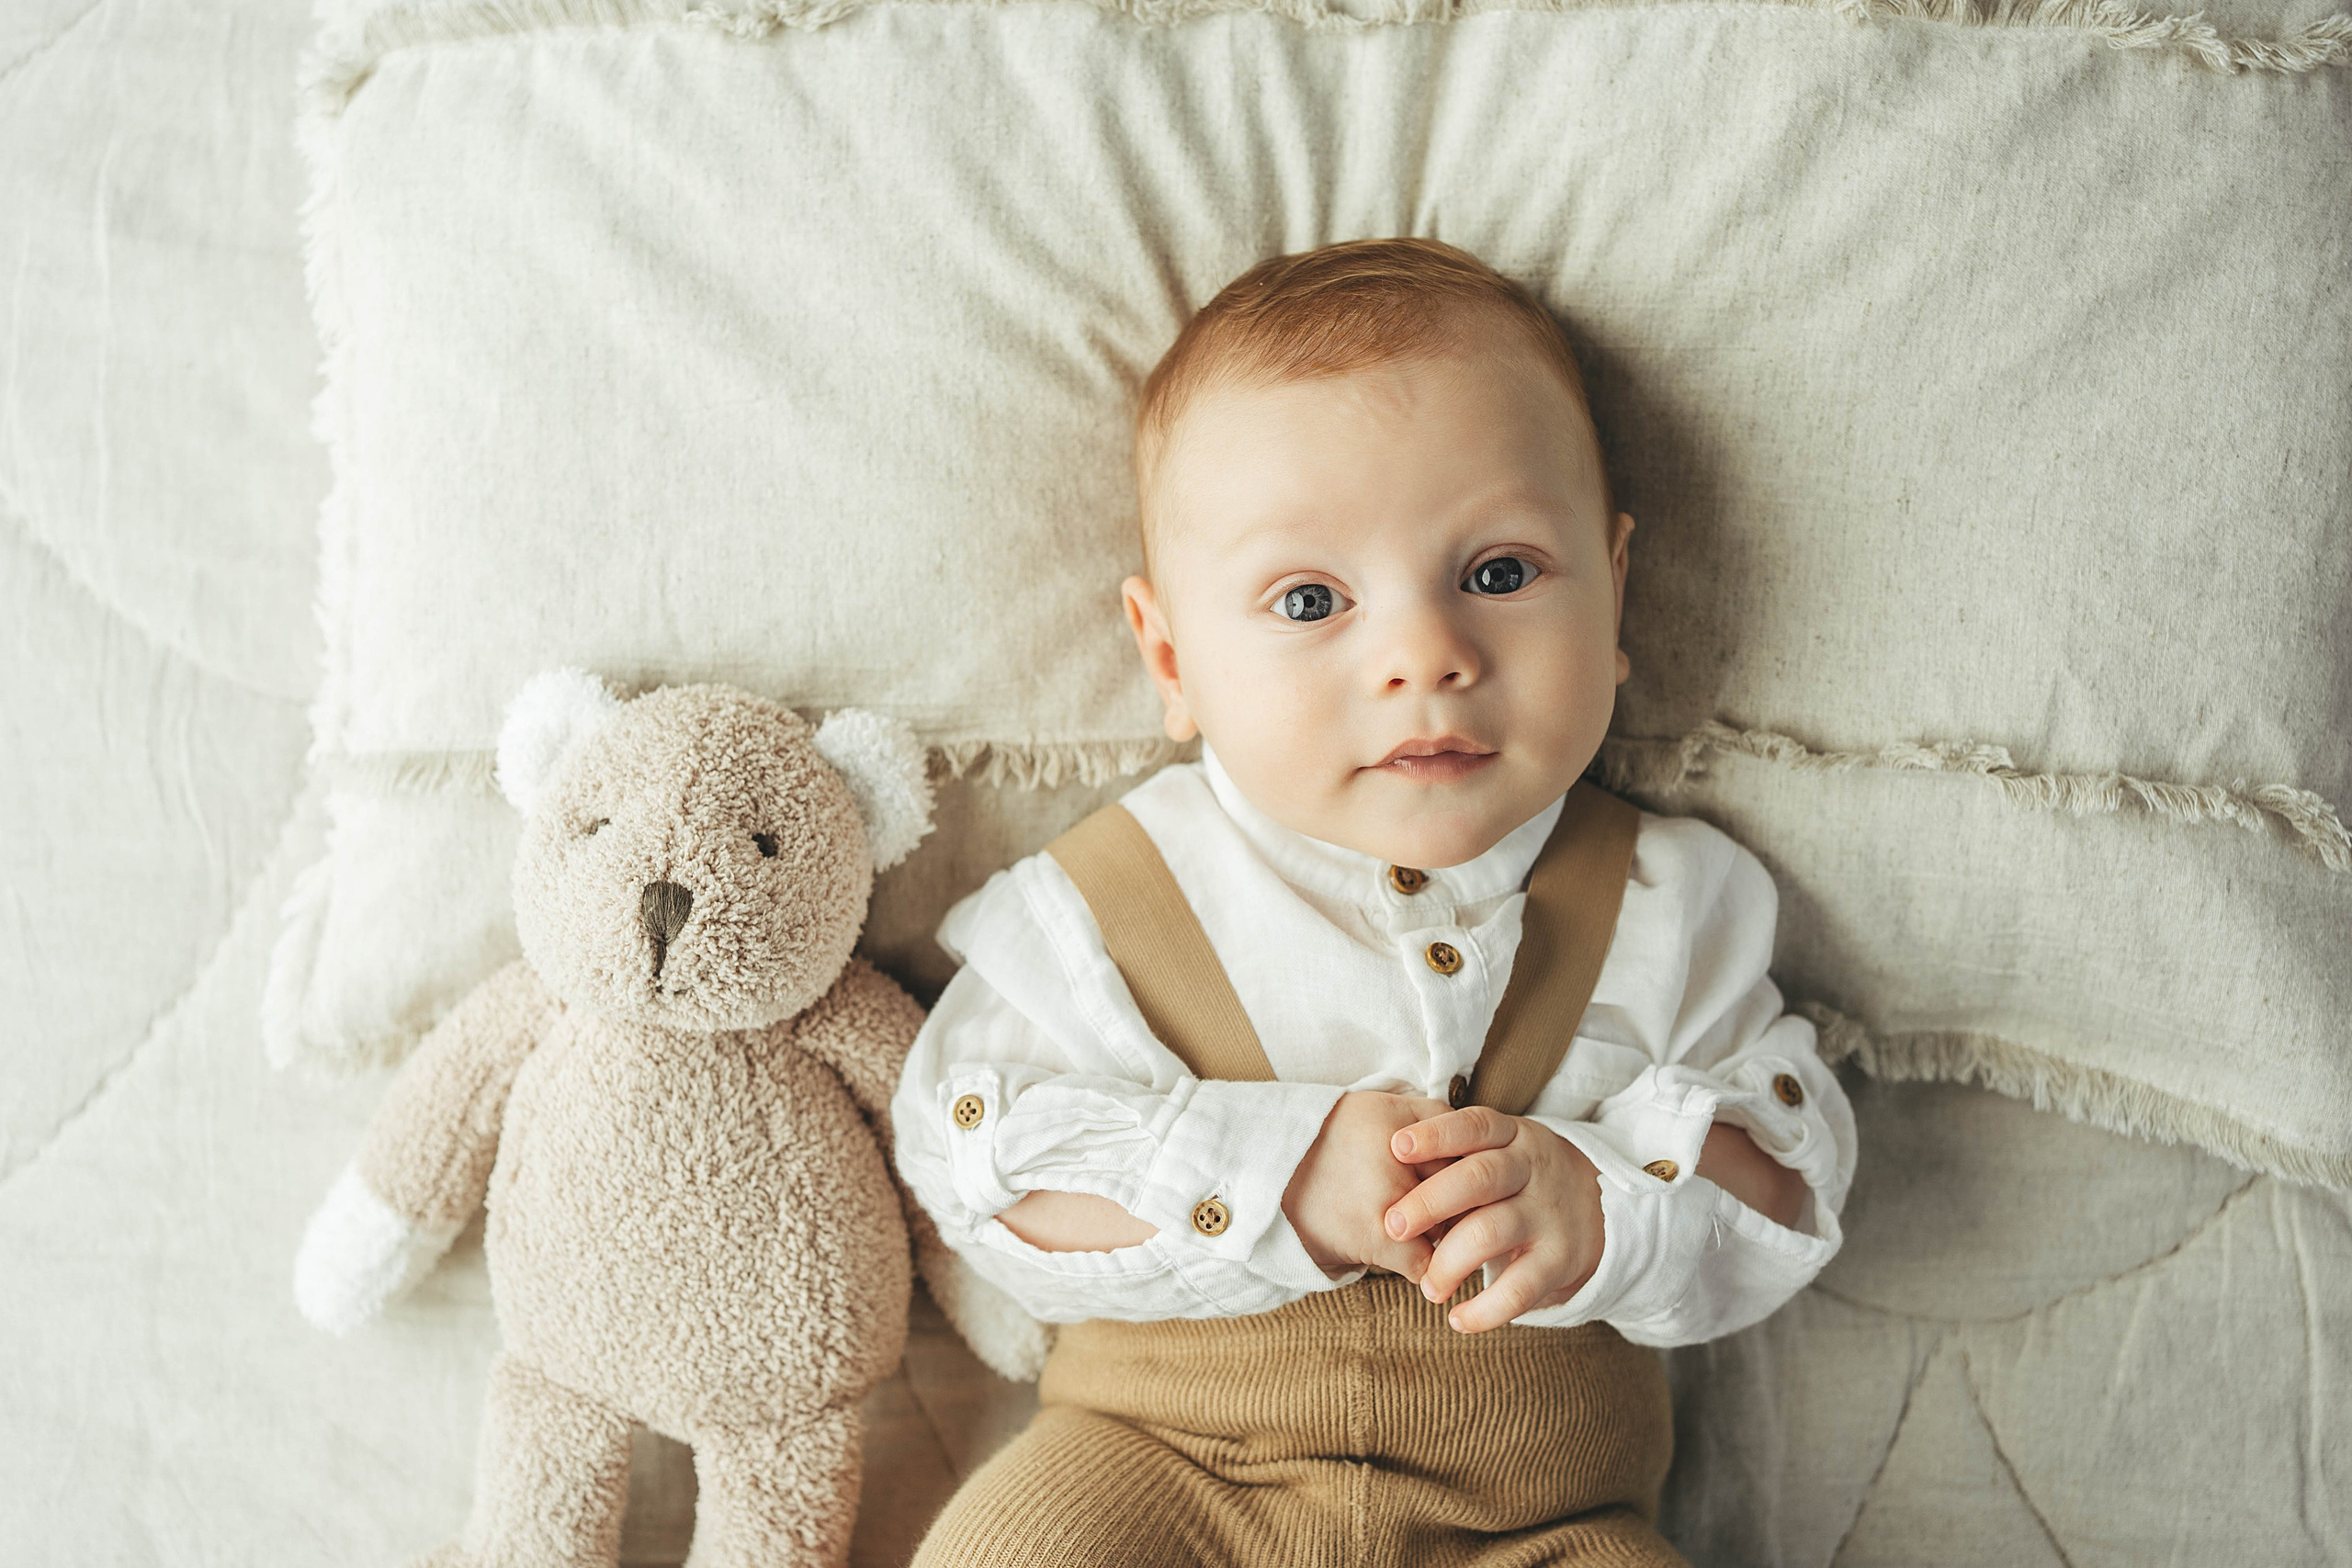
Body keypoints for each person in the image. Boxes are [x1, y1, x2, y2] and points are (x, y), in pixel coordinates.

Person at [892, 236, 1857, 1565]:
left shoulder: (1666, 900)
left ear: (1618, 591)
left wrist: (1606, 1206)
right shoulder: (1105, 906)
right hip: (1165, 1472)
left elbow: (1793, 1181)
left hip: (1537, 1516)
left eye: (1501, 574)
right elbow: (972, 1156)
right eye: (1309, 601)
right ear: (1172, 657)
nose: (1426, 656)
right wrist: (1278, 1178)